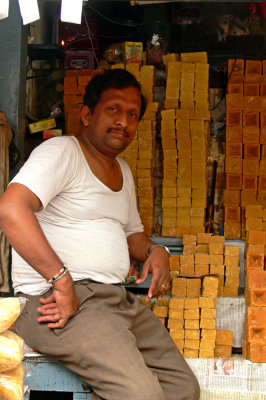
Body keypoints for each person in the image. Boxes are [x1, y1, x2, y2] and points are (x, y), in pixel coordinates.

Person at [0, 69, 200, 400]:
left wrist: (155, 251)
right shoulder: (62, 152)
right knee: (141, 395)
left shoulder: (122, 170)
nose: (124, 121)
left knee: (182, 389)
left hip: (114, 300)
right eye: (114, 109)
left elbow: (131, 234)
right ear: (87, 114)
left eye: (132, 114)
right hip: (57, 302)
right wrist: (61, 281)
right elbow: (11, 208)